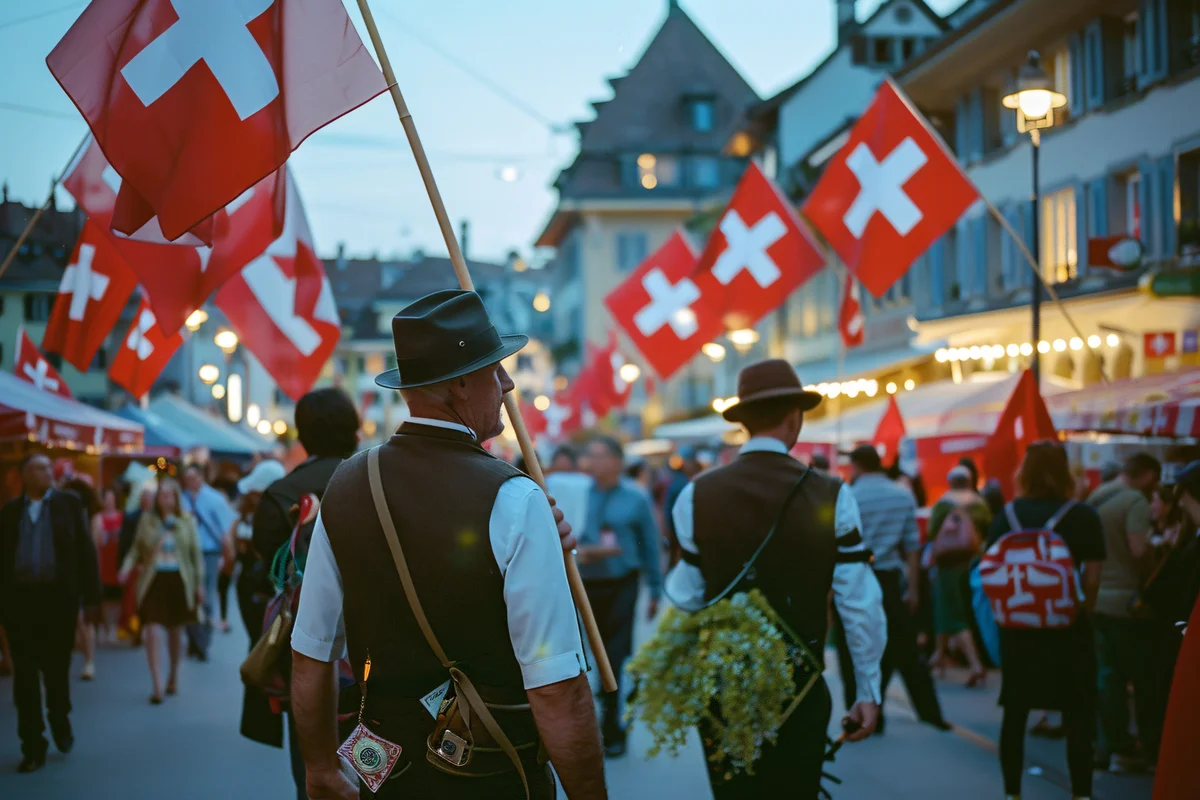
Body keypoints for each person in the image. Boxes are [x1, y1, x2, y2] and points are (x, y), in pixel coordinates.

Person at [290, 290, 605, 800]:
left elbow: (311, 653)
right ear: (460, 384)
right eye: (494, 370)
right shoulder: (515, 497)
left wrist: (320, 768)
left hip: (381, 768)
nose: (506, 384)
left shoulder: (346, 485)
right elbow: (557, 689)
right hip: (486, 771)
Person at [665, 359, 885, 797]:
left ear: (743, 423)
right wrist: (868, 690)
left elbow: (685, 597)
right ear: (794, 419)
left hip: (723, 690)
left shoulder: (696, 495)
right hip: (800, 692)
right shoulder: (833, 493)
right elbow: (859, 606)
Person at [243, 391, 359, 800]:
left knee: (312, 766)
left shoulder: (281, 494)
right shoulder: (373, 483)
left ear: (303, 435)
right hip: (371, 645)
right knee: (374, 760)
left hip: (304, 643)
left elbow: (267, 570)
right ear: (354, 429)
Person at [986, 441, 1105, 800]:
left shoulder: (1008, 515)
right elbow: (1094, 578)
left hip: (1018, 631)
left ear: (1025, 472)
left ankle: (1012, 793)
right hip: (1068, 632)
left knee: (1016, 713)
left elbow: (991, 569)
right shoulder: (1083, 515)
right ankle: (1081, 793)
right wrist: (1078, 609)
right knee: (1077, 714)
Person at [836, 444, 950, 732]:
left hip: (854, 580)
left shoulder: (848, 496)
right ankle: (929, 712)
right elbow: (912, 547)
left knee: (852, 650)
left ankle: (861, 716)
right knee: (904, 649)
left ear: (857, 466)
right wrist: (912, 589)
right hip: (889, 580)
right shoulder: (902, 495)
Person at [0, 454, 101, 773]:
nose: (48, 473)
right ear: (24, 476)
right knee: (25, 677)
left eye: (48, 467)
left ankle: (60, 717)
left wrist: (92, 598)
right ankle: (32, 744)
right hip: (20, 603)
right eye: (40, 468)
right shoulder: (9, 513)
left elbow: (85, 550)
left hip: (57, 602)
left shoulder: (68, 504)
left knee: (56, 671)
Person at [579, 435, 663, 757]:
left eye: (600, 455)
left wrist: (655, 588)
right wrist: (583, 552)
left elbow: (650, 544)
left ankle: (613, 726)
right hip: (588, 584)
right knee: (593, 657)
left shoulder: (635, 497)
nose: (594, 463)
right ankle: (605, 708)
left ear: (617, 461)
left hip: (623, 583)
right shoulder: (580, 494)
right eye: (590, 456)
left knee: (613, 655)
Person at [1087, 452, 1168, 772]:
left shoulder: (1097, 495)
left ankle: (1109, 744)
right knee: (1143, 677)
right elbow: (1138, 549)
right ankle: (1140, 746)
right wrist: (1154, 573)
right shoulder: (1134, 501)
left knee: (1108, 677)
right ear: (1148, 474)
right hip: (1127, 602)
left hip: (1097, 598)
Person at [118, 477, 204, 705]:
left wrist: (199, 584)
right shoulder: (148, 520)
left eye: (169, 494)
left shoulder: (186, 520)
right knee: (153, 630)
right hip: (153, 580)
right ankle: (157, 684)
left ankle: (173, 675)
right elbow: (136, 549)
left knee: (176, 631)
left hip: (178, 580)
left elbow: (196, 555)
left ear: (176, 497)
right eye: (162, 494)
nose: (165, 498)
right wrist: (126, 569)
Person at [927, 466, 989, 686]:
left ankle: (975, 664)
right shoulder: (979, 504)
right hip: (974, 563)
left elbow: (932, 531)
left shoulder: (943, 504)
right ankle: (939, 656)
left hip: (948, 565)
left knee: (953, 613)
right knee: (951, 610)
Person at [221, 460, 285, 635]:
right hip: (252, 581)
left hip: (262, 582)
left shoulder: (272, 516)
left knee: (262, 638)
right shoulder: (247, 514)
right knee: (257, 636)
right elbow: (230, 545)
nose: (251, 496)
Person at [180, 463, 236, 661]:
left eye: (194, 478)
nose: (191, 482)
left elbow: (227, 529)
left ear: (201, 477)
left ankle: (203, 642)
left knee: (206, 597)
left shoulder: (214, 499)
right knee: (188, 596)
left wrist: (226, 555)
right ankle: (193, 639)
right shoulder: (181, 499)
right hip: (186, 553)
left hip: (209, 552)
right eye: (187, 479)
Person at [63, 477, 102, 682]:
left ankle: (89, 661)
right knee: (77, 618)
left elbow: (93, 549)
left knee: (84, 618)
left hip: (85, 572)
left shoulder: (91, 519)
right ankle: (84, 658)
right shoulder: (63, 516)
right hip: (68, 571)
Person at [95, 487, 125, 644]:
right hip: (103, 560)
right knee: (105, 598)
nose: (108, 502)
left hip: (117, 560)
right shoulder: (98, 518)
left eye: (111, 498)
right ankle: (106, 627)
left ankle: (114, 626)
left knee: (117, 597)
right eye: (106, 498)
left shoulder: (122, 517)